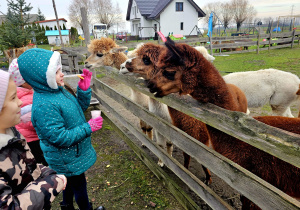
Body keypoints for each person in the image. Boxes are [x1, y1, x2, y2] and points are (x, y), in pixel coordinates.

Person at [18, 48, 105, 210]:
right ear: (42, 77)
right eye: (57, 71)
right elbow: (60, 137)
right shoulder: (45, 105)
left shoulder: (58, 92)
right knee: (80, 186)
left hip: (73, 153)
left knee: (69, 182)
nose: (62, 73)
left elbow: (78, 109)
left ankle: (66, 205)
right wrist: (89, 127)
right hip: (66, 157)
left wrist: (84, 90)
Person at [0, 69, 67, 209]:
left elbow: (29, 165)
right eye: (13, 98)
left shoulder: (12, 135)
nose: (19, 103)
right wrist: (52, 183)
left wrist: (49, 173)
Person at [8, 58, 48, 166]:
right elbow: (32, 123)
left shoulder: (25, 93)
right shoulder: (25, 98)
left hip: (29, 138)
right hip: (33, 141)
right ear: (24, 81)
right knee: (40, 163)